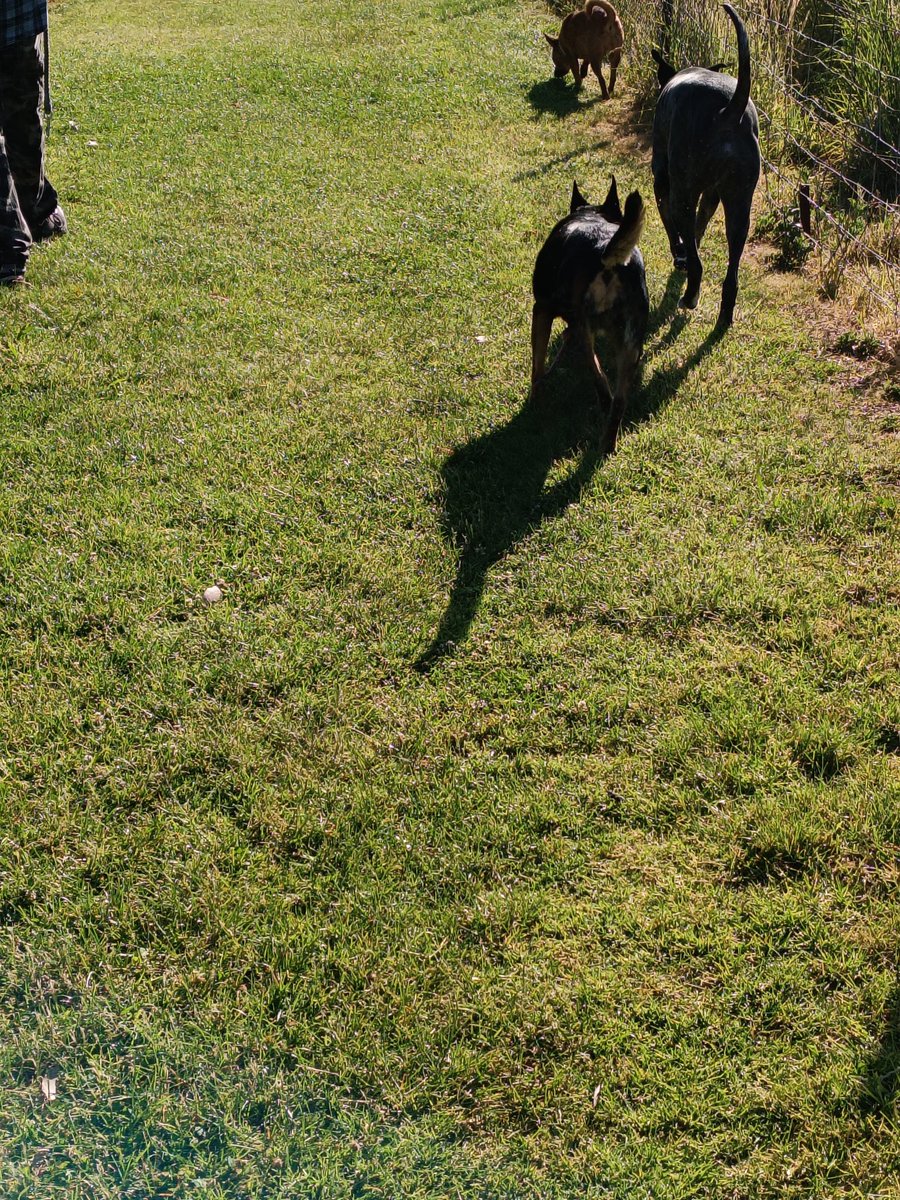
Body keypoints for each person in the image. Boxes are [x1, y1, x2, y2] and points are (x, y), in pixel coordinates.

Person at [0, 0, 66, 286]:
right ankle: (33, 216)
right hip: (19, 20)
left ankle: (13, 242)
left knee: (22, 112)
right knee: (22, 112)